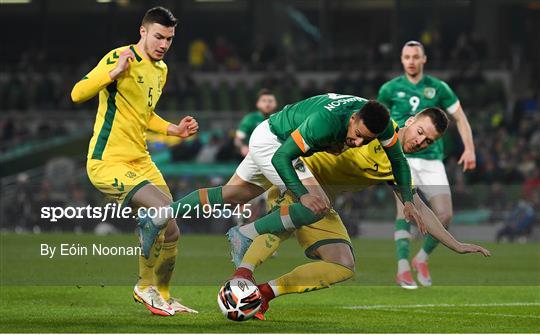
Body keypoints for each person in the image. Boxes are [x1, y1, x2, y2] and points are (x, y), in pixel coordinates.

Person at [229, 108, 490, 320]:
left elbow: (419, 206)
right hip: (300, 179)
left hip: (322, 202)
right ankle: (241, 277)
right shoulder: (375, 127)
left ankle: (263, 294)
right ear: (410, 121)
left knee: (343, 264)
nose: (420, 141)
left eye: (428, 141)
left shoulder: (396, 163)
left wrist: (455, 244)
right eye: (420, 131)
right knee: (289, 217)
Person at [137, 93, 423, 267]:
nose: (358, 142)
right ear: (353, 118)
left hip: (271, 132)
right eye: (357, 134)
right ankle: (244, 234)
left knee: (232, 194)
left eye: (366, 140)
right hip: (274, 142)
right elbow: (281, 157)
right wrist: (302, 193)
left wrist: (408, 200)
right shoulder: (326, 122)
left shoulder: (381, 123)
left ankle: (158, 217)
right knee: (317, 203)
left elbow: (398, 160)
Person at [70, 7, 198, 316]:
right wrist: (110, 75)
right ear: (143, 32)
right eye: (158, 36)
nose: (164, 44)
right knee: (161, 211)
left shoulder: (161, 70)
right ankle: (144, 286)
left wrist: (174, 130)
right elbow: (76, 94)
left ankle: (164, 295)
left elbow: (145, 115)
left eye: (169, 38)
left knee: (172, 230)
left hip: (140, 159)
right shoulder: (119, 58)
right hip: (107, 161)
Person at [378, 40, 476, 289]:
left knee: (445, 215)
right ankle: (402, 268)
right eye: (407, 56)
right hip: (402, 155)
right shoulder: (390, 89)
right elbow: (378, 119)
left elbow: (460, 117)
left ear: (424, 60)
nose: (411, 60)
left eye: (415, 56)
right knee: (405, 210)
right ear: (402, 60)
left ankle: (421, 259)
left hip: (432, 159)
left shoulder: (438, 88)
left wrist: (470, 148)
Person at [235, 89, 278, 157]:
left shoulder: (280, 119)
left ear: (276, 103)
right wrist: (242, 147)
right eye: (264, 101)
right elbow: (238, 139)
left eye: (270, 101)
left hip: (274, 156)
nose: (267, 104)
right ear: (258, 104)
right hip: (253, 156)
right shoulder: (250, 119)